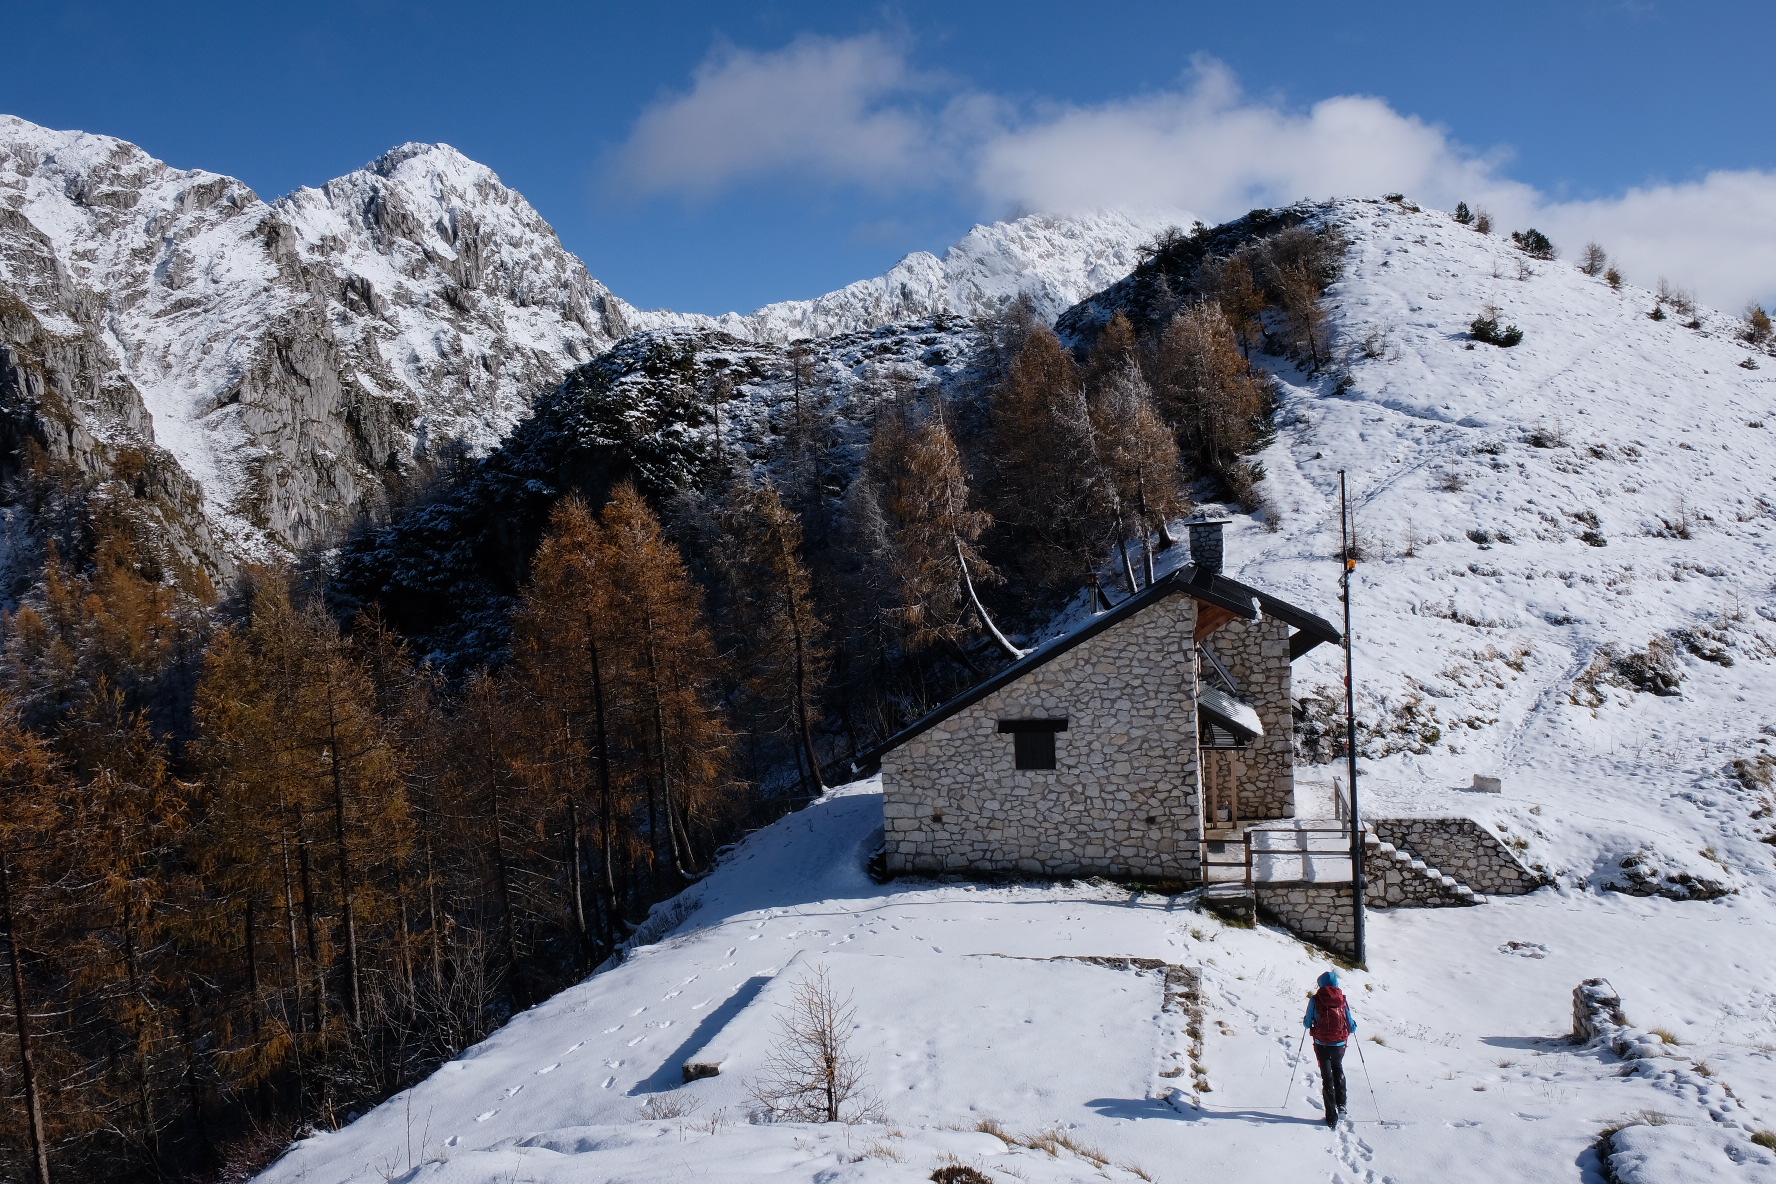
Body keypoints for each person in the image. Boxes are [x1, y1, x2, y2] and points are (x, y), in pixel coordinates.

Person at [1303, 970, 1356, 1127]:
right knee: (1338, 1069)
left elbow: (1307, 1024)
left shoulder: (1315, 999)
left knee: (1327, 1077)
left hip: (1322, 1043)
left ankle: (1331, 1117)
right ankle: (1342, 1106)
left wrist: (1309, 1021)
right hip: (1339, 1043)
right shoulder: (1342, 999)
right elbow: (1351, 1026)